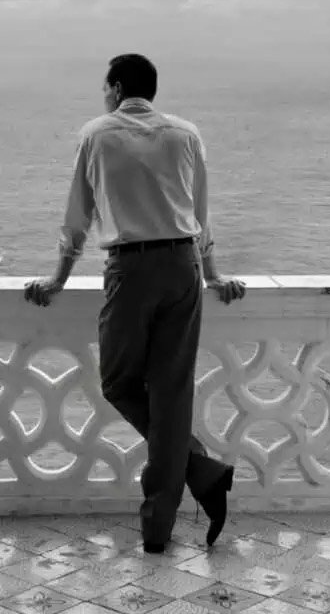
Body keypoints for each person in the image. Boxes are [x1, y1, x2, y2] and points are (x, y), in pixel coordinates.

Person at [24, 53, 247, 554]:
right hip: (182, 268)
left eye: (105, 87)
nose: (103, 95)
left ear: (118, 86)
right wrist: (213, 274)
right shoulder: (186, 135)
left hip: (131, 268)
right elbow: (201, 213)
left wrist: (57, 280)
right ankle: (170, 512)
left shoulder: (97, 134)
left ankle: (196, 477)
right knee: (171, 392)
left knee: (118, 381)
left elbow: (77, 218)